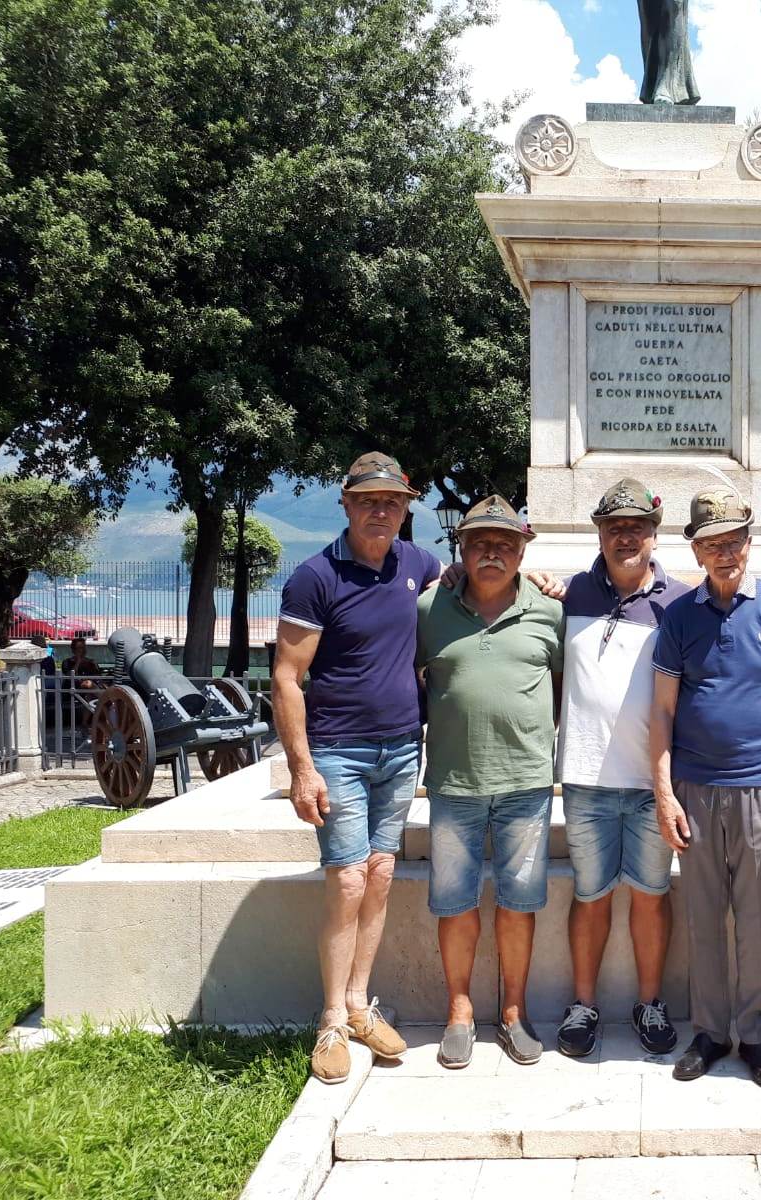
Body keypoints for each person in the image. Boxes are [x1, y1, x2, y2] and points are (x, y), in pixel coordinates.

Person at [275, 452, 434, 1085]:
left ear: (405, 509)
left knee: (381, 874)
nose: (380, 510)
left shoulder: (418, 566)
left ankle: (359, 1005)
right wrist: (301, 769)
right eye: (369, 500)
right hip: (337, 748)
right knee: (345, 880)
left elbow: (476, 585)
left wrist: (542, 585)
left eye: (392, 501)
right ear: (345, 504)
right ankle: (330, 1021)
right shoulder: (314, 577)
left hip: (400, 748)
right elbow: (287, 679)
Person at [650, 488, 761, 1089]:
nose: (726, 553)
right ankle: (713, 1033)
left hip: (759, 789)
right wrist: (664, 793)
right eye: (712, 543)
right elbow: (662, 712)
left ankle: (757, 1036)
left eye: (735, 540)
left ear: (750, 542)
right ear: (695, 550)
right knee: (703, 915)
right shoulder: (679, 617)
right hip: (695, 787)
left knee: (753, 917)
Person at [417, 495, 564, 1069]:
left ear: (523, 551)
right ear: (462, 549)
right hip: (454, 782)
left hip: (526, 783)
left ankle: (512, 1012)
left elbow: (565, 687)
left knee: (518, 902)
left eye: (505, 544)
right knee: (454, 903)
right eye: (480, 543)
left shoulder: (551, 610)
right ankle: (459, 1011)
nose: (492, 553)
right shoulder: (431, 608)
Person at [553, 480, 690, 1059]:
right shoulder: (568, 594)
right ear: (599, 533)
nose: (625, 536)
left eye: (636, 527)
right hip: (584, 779)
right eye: (614, 527)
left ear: (654, 535)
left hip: (652, 784)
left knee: (652, 895)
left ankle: (650, 1002)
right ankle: (583, 1004)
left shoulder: (681, 601)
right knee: (590, 895)